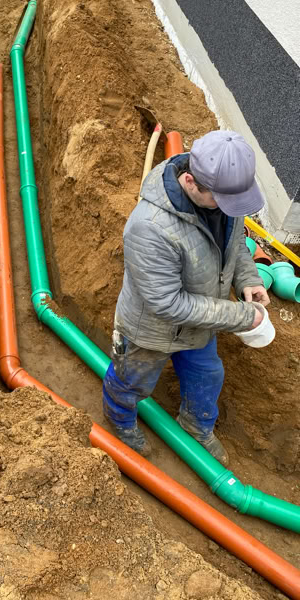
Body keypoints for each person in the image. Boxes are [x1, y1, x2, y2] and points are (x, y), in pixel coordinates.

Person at [103, 130, 270, 465]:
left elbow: (235, 243)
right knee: (131, 382)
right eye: (223, 201)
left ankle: (195, 426)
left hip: (200, 323)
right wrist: (242, 317)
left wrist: (248, 279)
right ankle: (120, 422)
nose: (229, 208)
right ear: (191, 182)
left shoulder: (223, 196)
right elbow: (167, 304)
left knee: (208, 376)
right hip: (151, 331)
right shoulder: (150, 227)